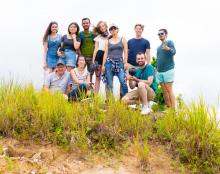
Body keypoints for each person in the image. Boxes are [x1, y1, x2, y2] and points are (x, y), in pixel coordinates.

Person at [101, 24, 128, 97]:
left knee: (123, 81)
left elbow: (126, 52)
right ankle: (110, 102)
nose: (113, 30)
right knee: (109, 83)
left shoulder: (123, 39)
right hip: (109, 63)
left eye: (114, 28)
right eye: (111, 29)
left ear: (117, 29)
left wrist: (125, 63)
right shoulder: (108, 41)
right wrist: (103, 65)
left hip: (120, 63)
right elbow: (105, 53)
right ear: (109, 31)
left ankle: (126, 100)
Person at [156, 29, 176, 108]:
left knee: (169, 89)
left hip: (168, 70)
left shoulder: (170, 42)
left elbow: (174, 52)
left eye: (162, 33)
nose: (160, 35)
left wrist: (168, 49)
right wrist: (156, 69)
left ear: (166, 35)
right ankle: (169, 108)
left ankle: (174, 110)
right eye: (159, 34)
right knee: (164, 91)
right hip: (160, 72)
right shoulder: (158, 48)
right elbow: (158, 59)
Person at [92, 21, 109, 93]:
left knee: (108, 77)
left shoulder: (110, 36)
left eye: (103, 26)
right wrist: (93, 60)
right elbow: (96, 49)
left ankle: (108, 98)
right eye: (100, 27)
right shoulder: (97, 38)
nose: (102, 27)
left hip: (107, 56)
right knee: (97, 77)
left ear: (106, 26)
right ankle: (96, 97)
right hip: (99, 56)